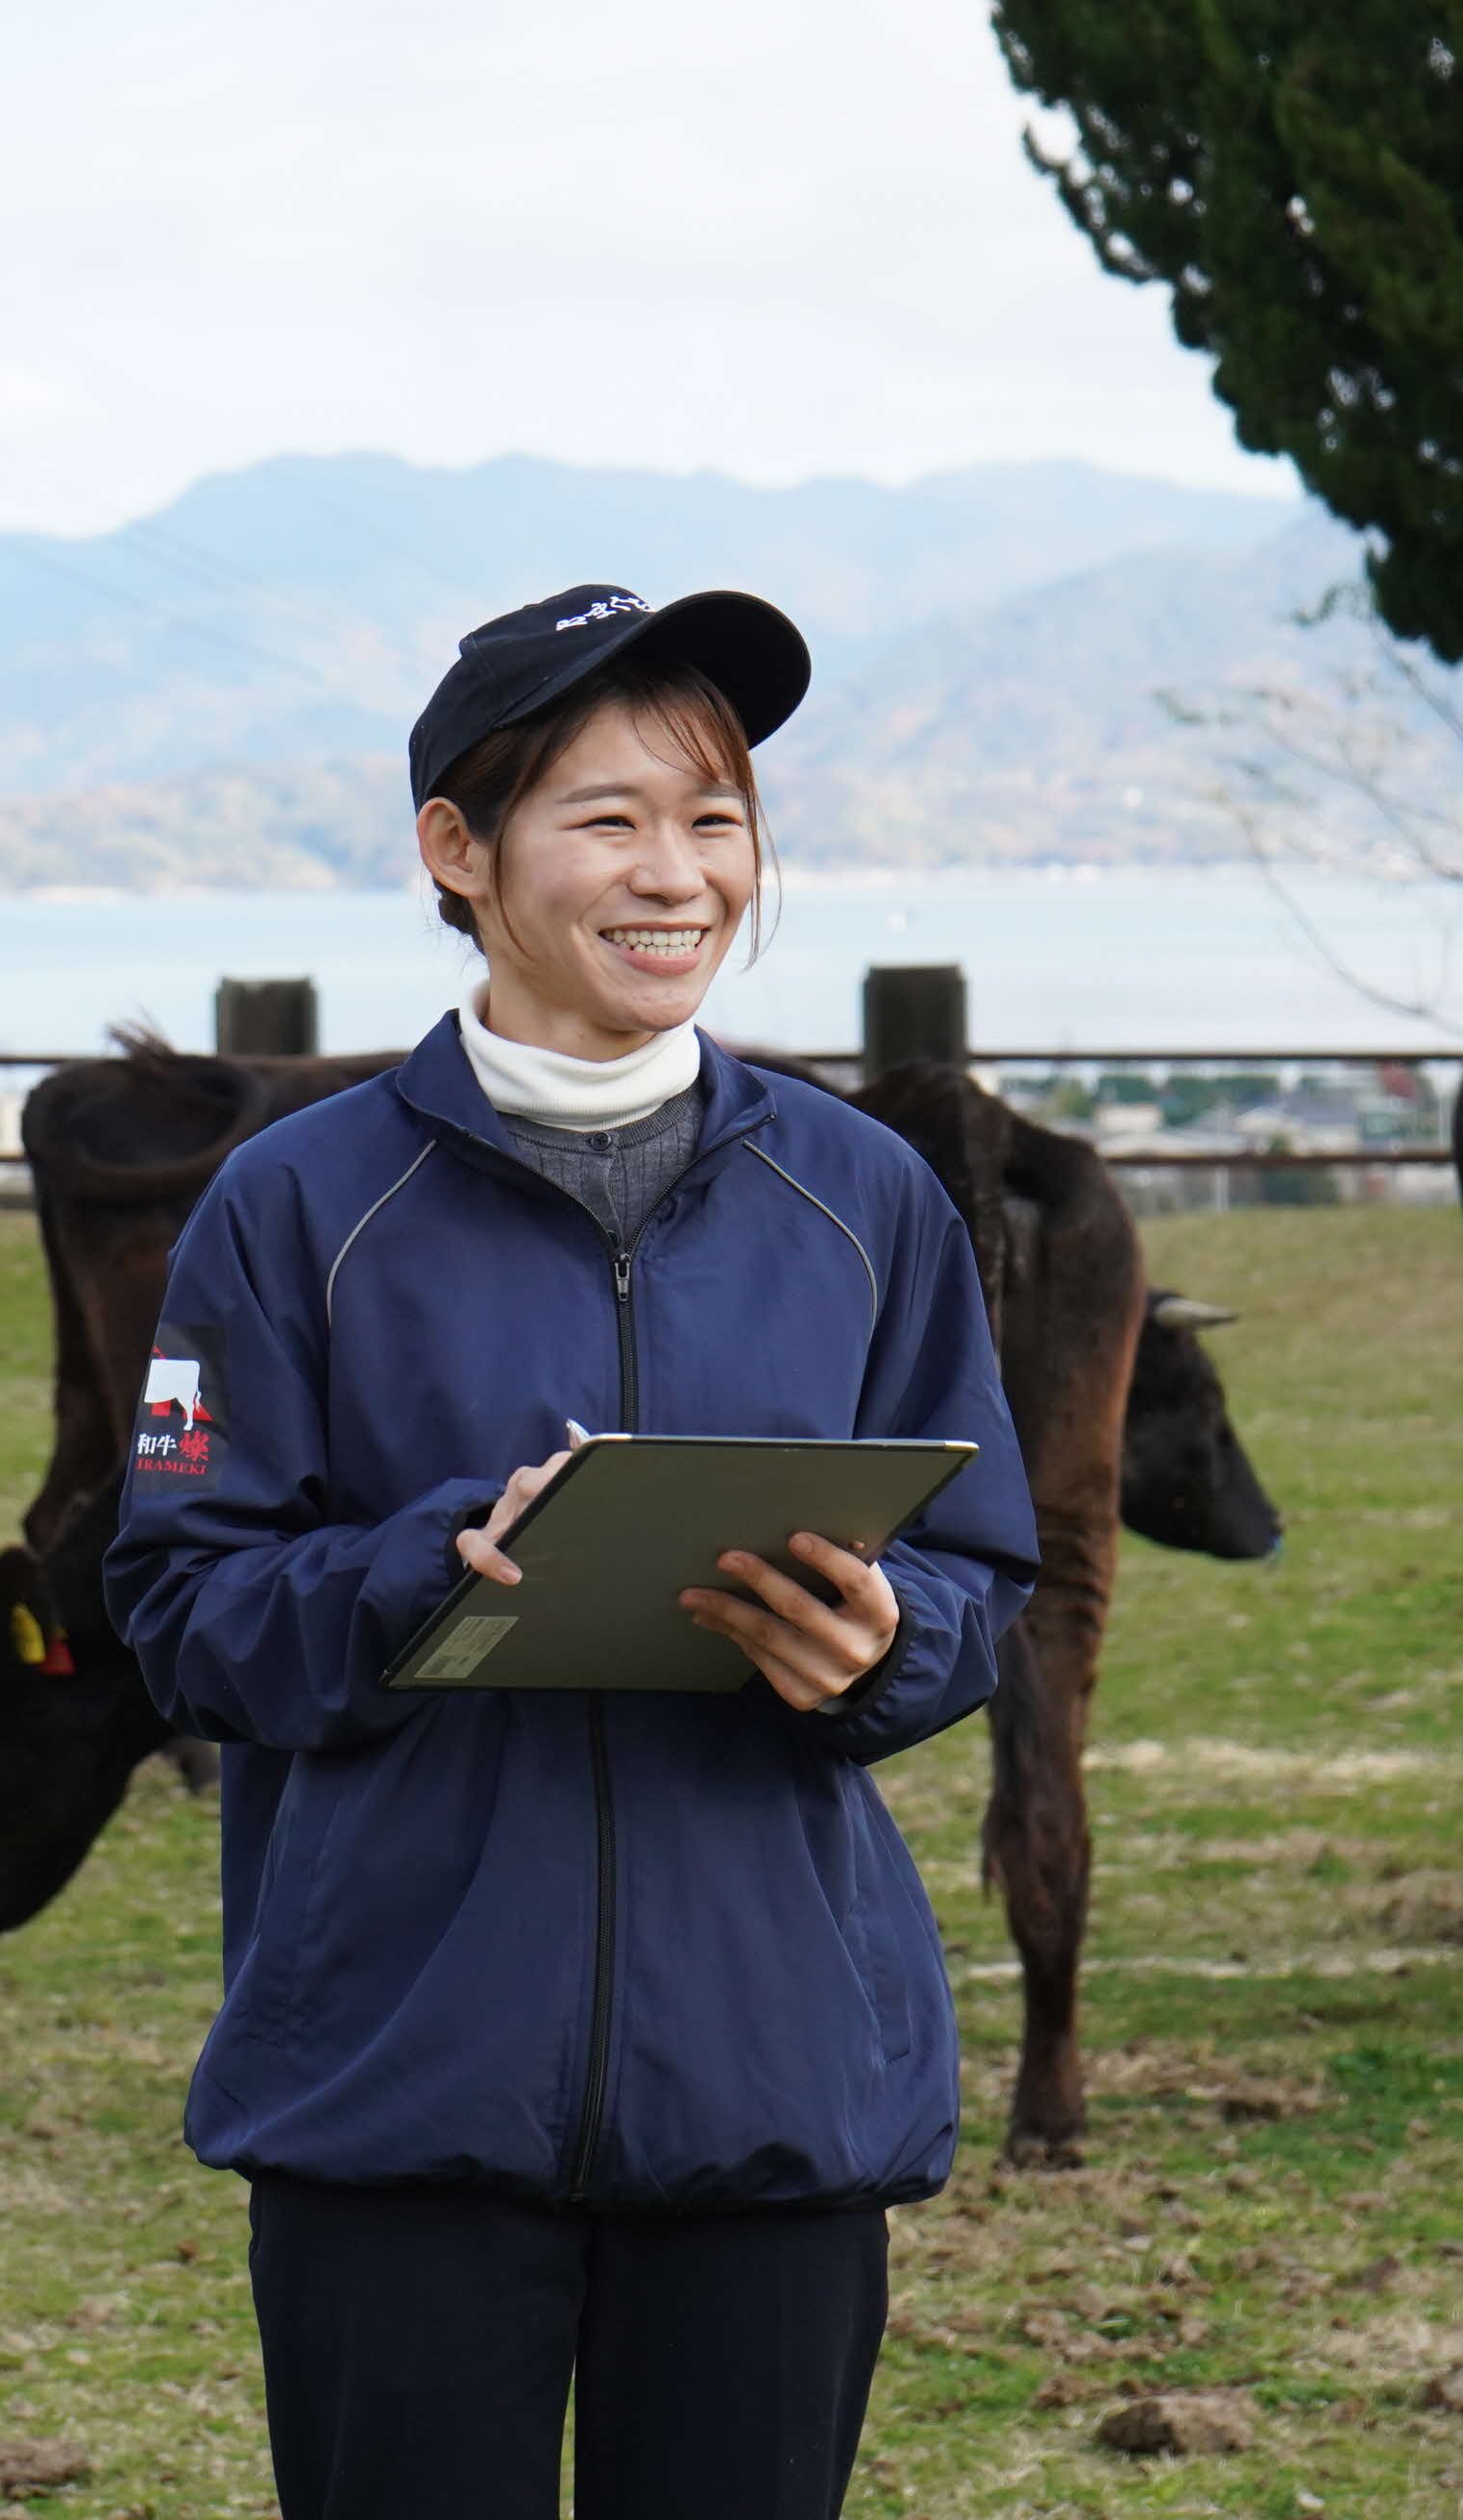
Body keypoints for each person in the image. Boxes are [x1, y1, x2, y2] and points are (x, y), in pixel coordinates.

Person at [102, 584, 1037, 2520]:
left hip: (772, 2084)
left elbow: (977, 1570)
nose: (679, 873)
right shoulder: (292, 1209)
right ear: (458, 849)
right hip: (399, 2090)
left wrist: (879, 1645)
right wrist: (427, 1573)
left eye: (716, 817)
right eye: (608, 818)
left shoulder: (862, 1199)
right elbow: (181, 1607)